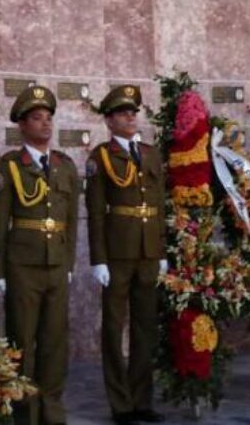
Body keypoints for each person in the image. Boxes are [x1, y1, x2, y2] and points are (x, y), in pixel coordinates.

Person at [0, 86, 79, 425]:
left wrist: (68, 264)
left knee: (55, 341)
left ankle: (52, 412)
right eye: (37, 118)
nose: (45, 124)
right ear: (22, 126)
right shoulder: (10, 166)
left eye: (49, 118)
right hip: (22, 266)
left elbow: (70, 222)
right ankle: (25, 413)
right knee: (22, 341)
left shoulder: (64, 165)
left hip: (56, 264)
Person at [86, 85, 167, 425]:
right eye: (122, 113)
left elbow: (159, 207)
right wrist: (98, 259)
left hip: (148, 252)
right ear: (109, 120)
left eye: (133, 112)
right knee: (114, 328)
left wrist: (161, 251)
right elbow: (96, 212)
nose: (131, 117)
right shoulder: (100, 158)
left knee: (146, 328)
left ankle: (142, 399)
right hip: (117, 255)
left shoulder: (149, 154)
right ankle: (120, 404)